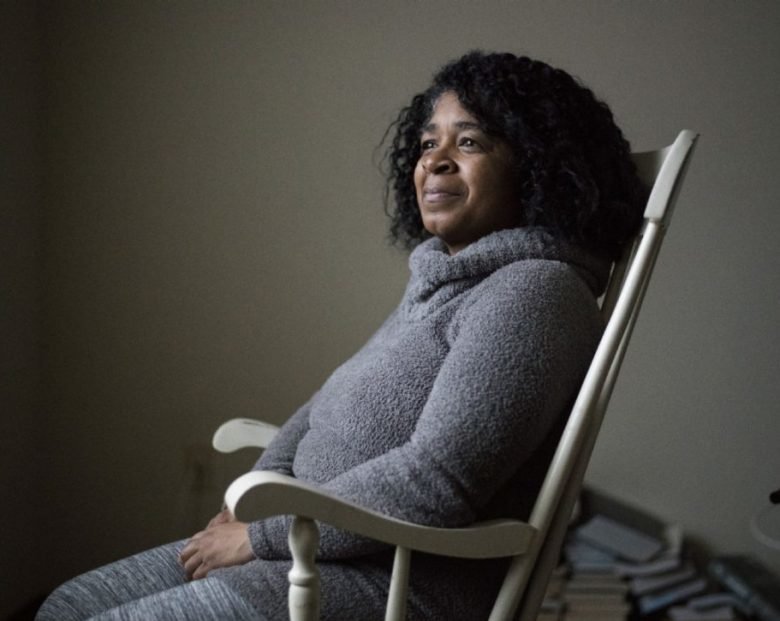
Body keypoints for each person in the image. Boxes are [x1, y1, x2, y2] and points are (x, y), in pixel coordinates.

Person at [37, 50, 646, 620]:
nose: (434, 160)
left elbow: (436, 482)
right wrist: (249, 498)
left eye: (469, 142)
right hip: (315, 547)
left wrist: (260, 534)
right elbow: (322, 409)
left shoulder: (535, 293)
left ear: (535, 168)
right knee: (68, 604)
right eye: (428, 142)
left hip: (400, 579)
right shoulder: (446, 280)